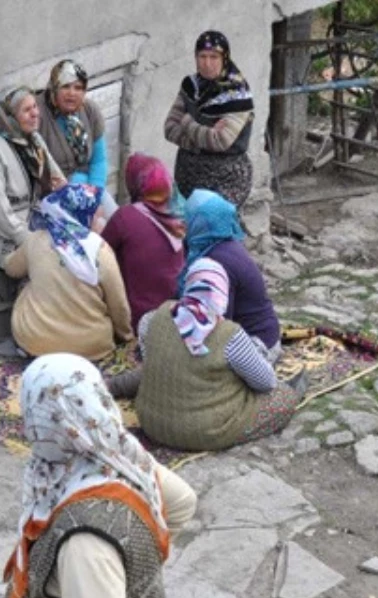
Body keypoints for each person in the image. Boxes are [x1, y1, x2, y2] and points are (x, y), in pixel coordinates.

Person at [3, 352, 196, 598]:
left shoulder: (84, 541)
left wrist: (108, 573)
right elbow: (181, 502)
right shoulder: (122, 458)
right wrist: (132, 569)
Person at [134, 259, 302, 452]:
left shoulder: (150, 319)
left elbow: (153, 367)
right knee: (285, 397)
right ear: (223, 293)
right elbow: (266, 383)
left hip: (151, 423)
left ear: (187, 285)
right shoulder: (229, 335)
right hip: (203, 432)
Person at [6, 184, 132, 360]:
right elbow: (119, 305)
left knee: (26, 284)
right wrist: (126, 337)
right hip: (91, 348)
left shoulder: (36, 239)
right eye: (96, 215)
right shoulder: (101, 250)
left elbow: (12, 269)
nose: (100, 219)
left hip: (35, 342)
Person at [0, 85, 65, 300]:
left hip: (31, 221)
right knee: (46, 261)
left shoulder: (33, 141)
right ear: (9, 116)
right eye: (26, 110)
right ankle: (32, 319)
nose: (35, 113)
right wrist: (31, 240)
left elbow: (58, 182)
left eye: (35, 107)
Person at [182, 189, 280, 362]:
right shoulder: (224, 245)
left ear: (199, 223)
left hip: (257, 343)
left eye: (188, 219)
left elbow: (220, 328)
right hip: (253, 333)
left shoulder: (217, 262)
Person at [163, 30, 255, 208]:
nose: (207, 64)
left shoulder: (237, 93)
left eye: (214, 57)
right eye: (202, 56)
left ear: (224, 58)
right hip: (188, 177)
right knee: (189, 228)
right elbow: (169, 129)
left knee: (216, 228)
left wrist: (187, 122)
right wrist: (205, 137)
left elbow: (220, 141)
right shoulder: (191, 86)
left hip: (226, 178)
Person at [100, 153, 186, 332]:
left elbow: (99, 255)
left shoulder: (126, 217)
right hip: (175, 315)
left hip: (137, 320)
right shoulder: (179, 216)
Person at [38, 60, 107, 188]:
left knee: (114, 209)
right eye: (65, 86)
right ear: (54, 87)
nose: (72, 93)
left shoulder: (90, 110)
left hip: (88, 185)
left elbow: (99, 160)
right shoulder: (38, 114)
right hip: (54, 193)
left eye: (78, 88)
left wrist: (95, 192)